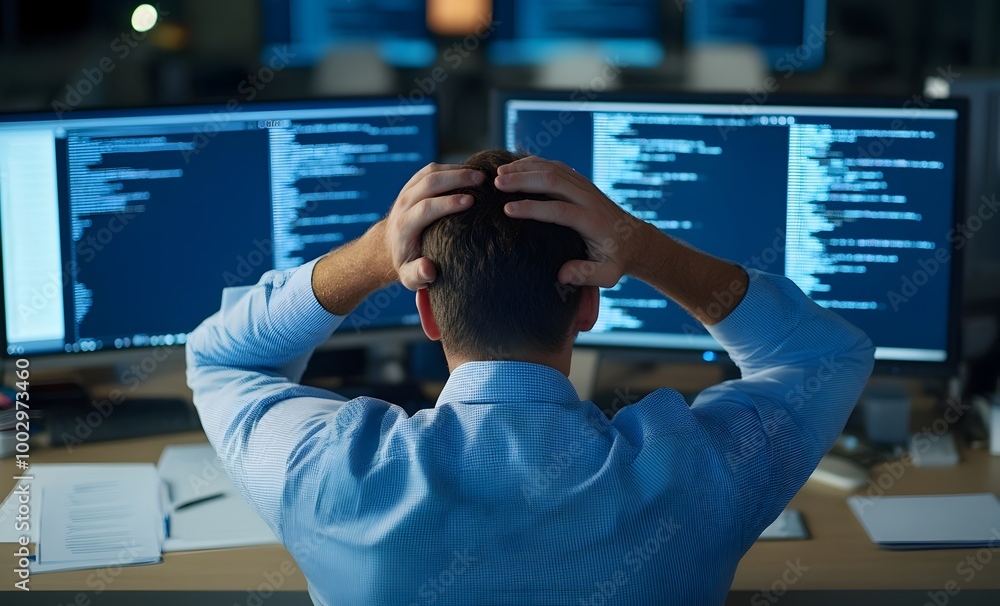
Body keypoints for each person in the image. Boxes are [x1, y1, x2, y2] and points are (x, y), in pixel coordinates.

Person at [187, 150, 875, 605]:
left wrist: (369, 257)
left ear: (425, 308)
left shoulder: (330, 470)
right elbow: (823, 356)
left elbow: (222, 357)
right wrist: (643, 248)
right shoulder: (699, 474)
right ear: (590, 302)